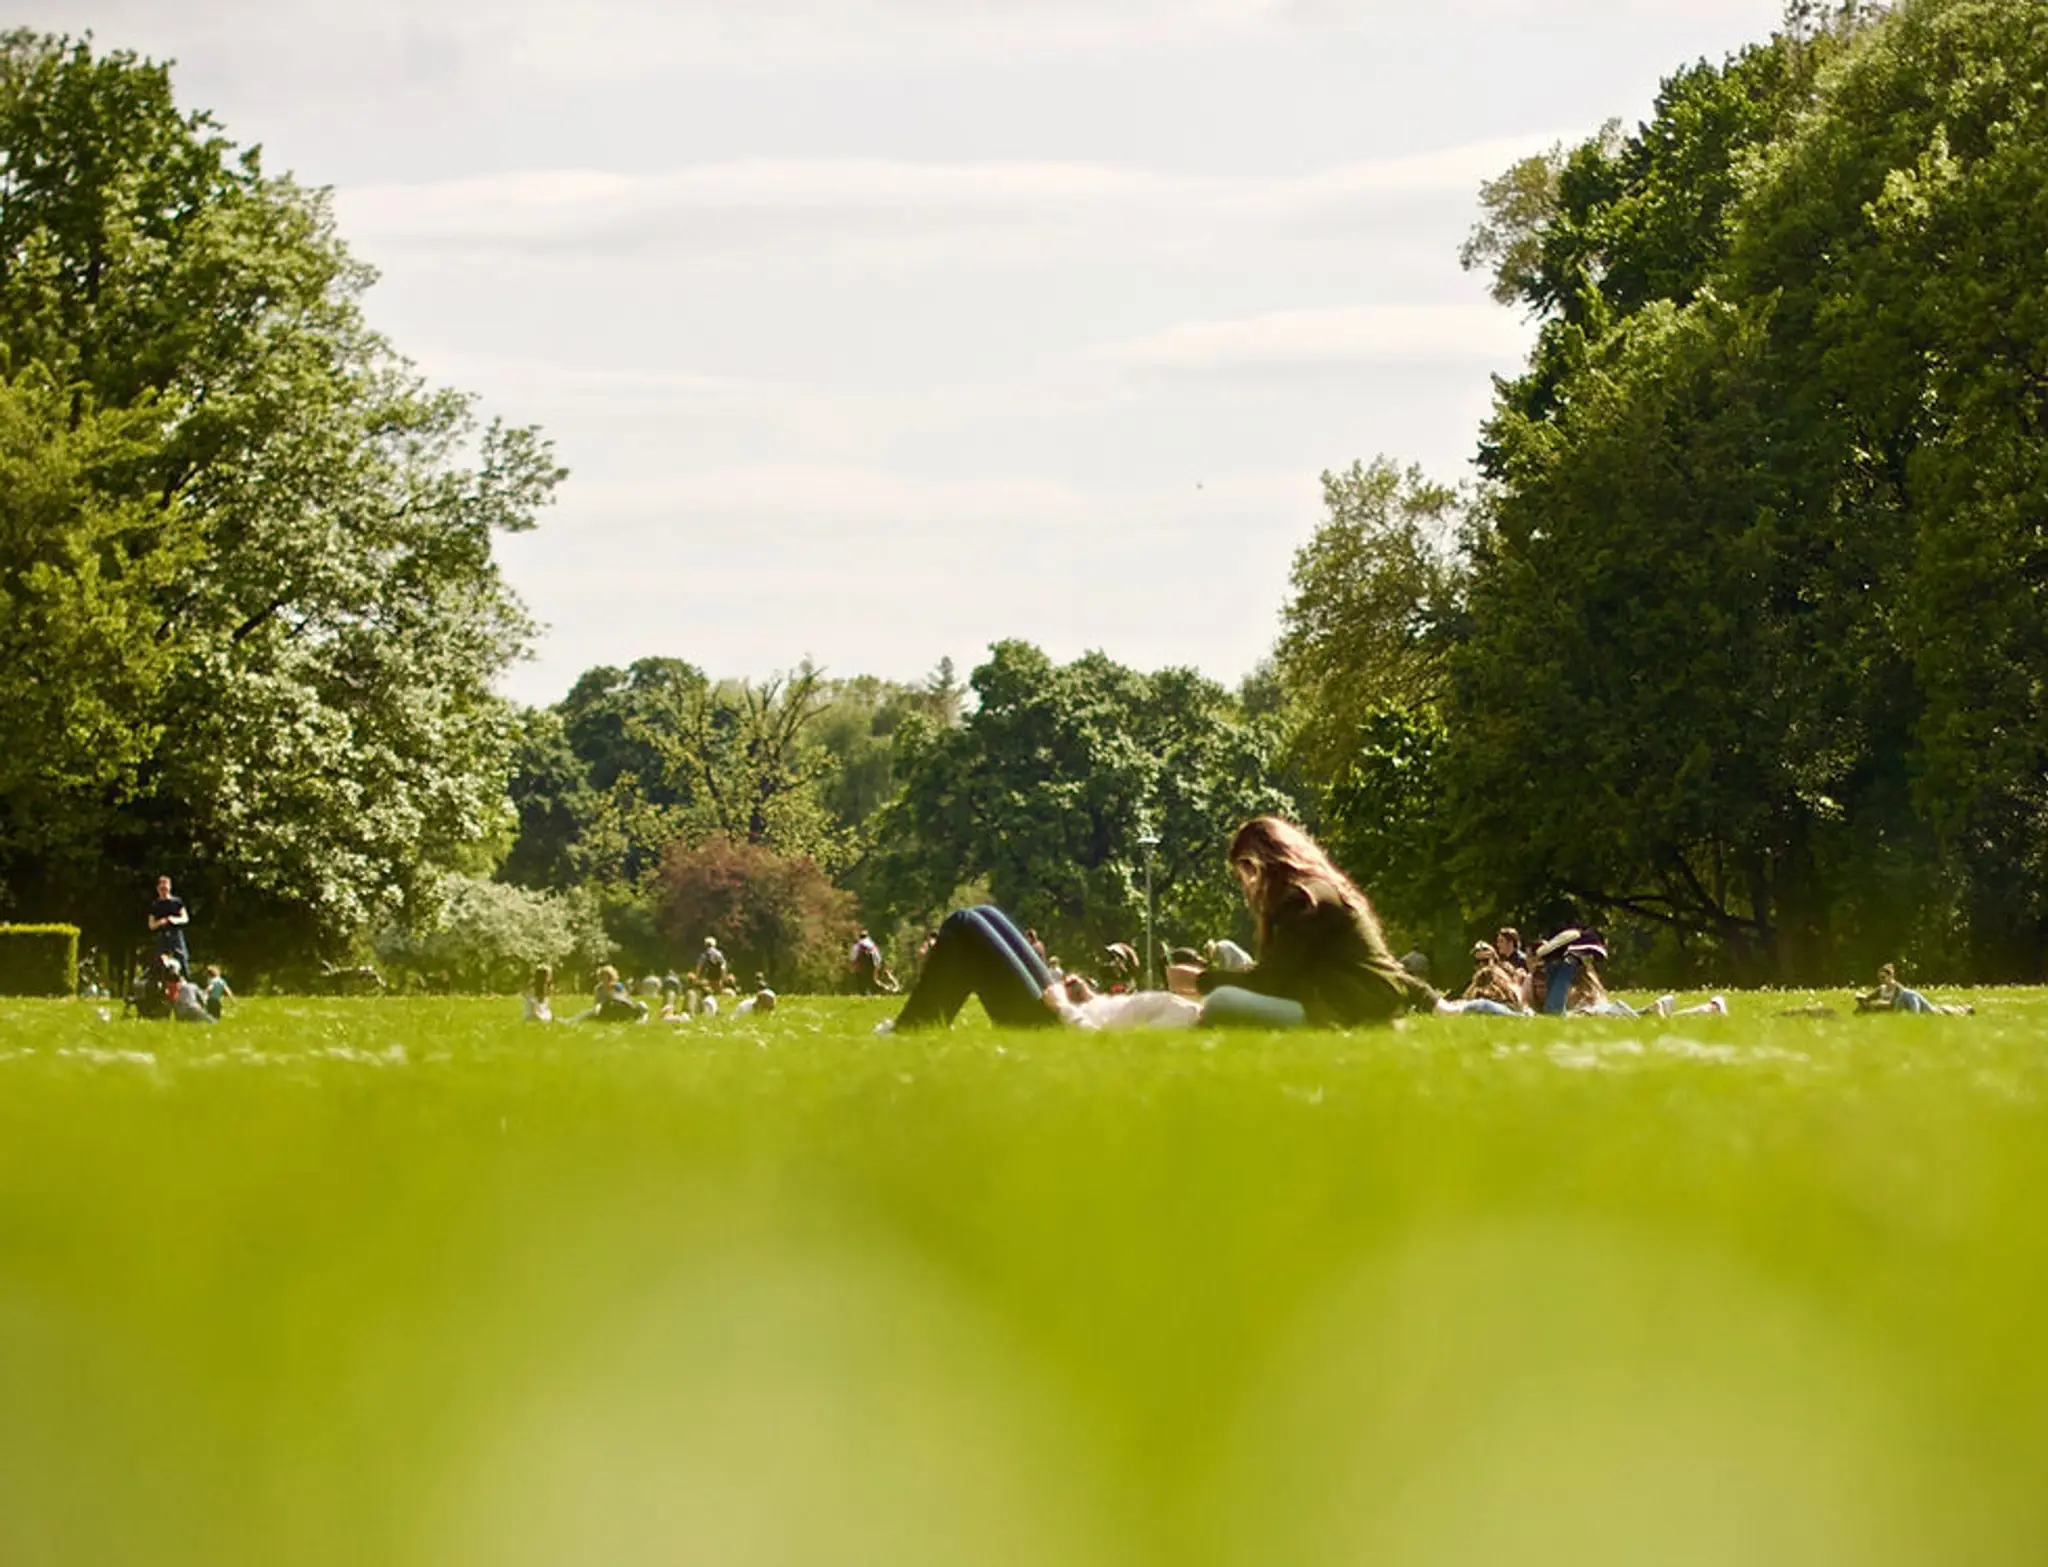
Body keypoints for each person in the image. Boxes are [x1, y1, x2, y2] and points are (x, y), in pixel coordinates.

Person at [1191, 817, 1439, 1028]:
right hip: (1358, 1004)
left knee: (1221, 1001)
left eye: (1242, 876)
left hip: (1342, 1009)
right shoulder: (1322, 891)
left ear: (1257, 865)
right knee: (1219, 1001)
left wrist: (1200, 981)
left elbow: (1274, 981)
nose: (1246, 888)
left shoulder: (1303, 900)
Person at [879, 905, 1198, 1033]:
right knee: (983, 914)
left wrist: (1062, 1007)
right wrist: (1092, 999)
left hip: (1055, 1026)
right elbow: (1122, 1019)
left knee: (964, 925)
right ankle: (918, 1025)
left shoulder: (1185, 1019)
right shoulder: (1191, 1009)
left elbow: (1106, 1045)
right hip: (1072, 1010)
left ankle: (910, 1030)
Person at [1435, 941, 1531, 1016]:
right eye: (1477, 962)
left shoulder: (1505, 971)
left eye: (1485, 961)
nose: (1481, 965)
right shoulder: (1472, 981)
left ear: (1494, 960)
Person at [1856, 963, 1973, 1016]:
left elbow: (1891, 1005)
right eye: (1879, 977)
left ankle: (1964, 1009)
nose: (1881, 980)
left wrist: (1875, 1005)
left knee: (1943, 1012)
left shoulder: (1899, 989)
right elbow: (1867, 998)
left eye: (1883, 977)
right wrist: (1862, 1000)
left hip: (1923, 1008)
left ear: (1891, 976)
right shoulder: (1881, 989)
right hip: (1907, 1012)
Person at [148, 875, 191, 973]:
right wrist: (160, 922)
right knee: (158, 960)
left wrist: (174, 920)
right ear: (157, 889)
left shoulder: (177, 901)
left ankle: (187, 981)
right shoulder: (155, 904)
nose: (163, 890)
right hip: (162, 935)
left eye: (165, 888)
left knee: (182, 957)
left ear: (170, 887)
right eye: (161, 888)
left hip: (176, 934)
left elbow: (185, 918)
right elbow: (151, 925)